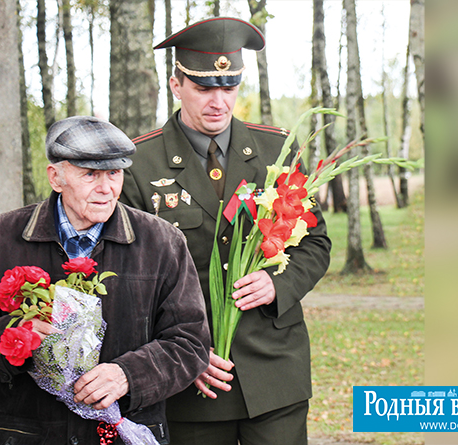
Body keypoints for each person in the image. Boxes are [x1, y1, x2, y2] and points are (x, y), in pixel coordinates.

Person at [120, 17, 331, 445]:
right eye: (204, 88)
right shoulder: (139, 165)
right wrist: (180, 355)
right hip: (188, 381)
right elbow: (130, 277)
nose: (219, 101)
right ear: (176, 84)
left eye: (229, 87)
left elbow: (315, 242)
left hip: (274, 372)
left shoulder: (276, 150)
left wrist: (277, 284)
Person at [0, 116, 210, 445]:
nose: (106, 188)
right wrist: (15, 338)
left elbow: (190, 343)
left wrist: (127, 376)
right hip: (26, 434)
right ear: (56, 177)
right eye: (90, 174)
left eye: (114, 172)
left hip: (122, 434)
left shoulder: (163, 242)